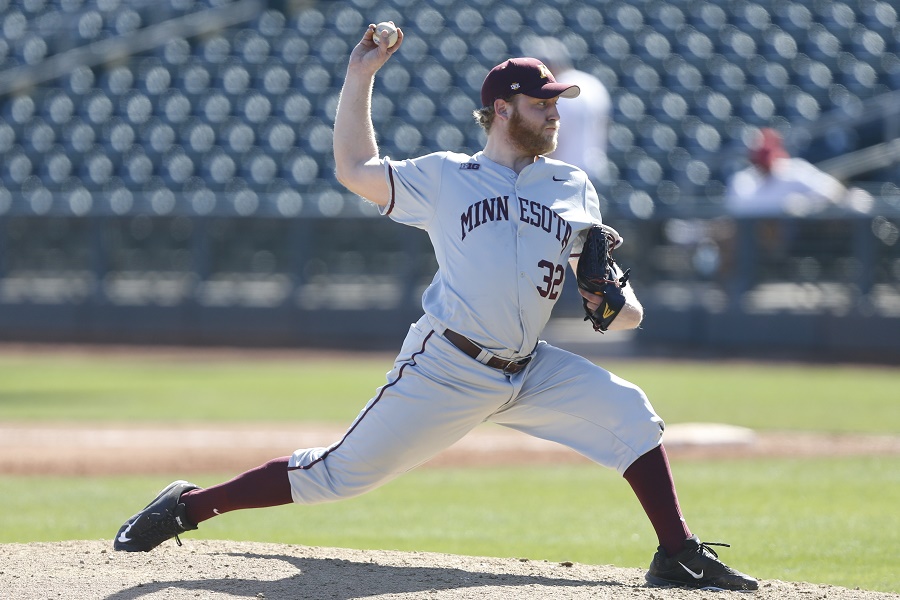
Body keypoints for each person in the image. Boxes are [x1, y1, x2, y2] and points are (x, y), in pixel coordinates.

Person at [114, 23, 758, 592]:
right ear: (501, 110)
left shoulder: (572, 186)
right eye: (543, 104)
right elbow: (355, 167)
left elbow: (623, 315)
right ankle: (188, 508)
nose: (556, 115)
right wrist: (359, 75)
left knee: (631, 413)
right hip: (448, 366)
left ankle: (676, 555)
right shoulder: (448, 176)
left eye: (558, 103)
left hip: (529, 368)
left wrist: (609, 299)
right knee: (337, 475)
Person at [532, 36, 612, 184]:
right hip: (596, 170)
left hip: (565, 175)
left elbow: (552, 138)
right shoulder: (593, 84)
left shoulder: (558, 91)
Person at [725, 128, 849, 216]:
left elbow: (833, 191)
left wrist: (805, 204)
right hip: (754, 239)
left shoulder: (793, 171)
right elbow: (736, 211)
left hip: (795, 238)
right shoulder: (744, 179)